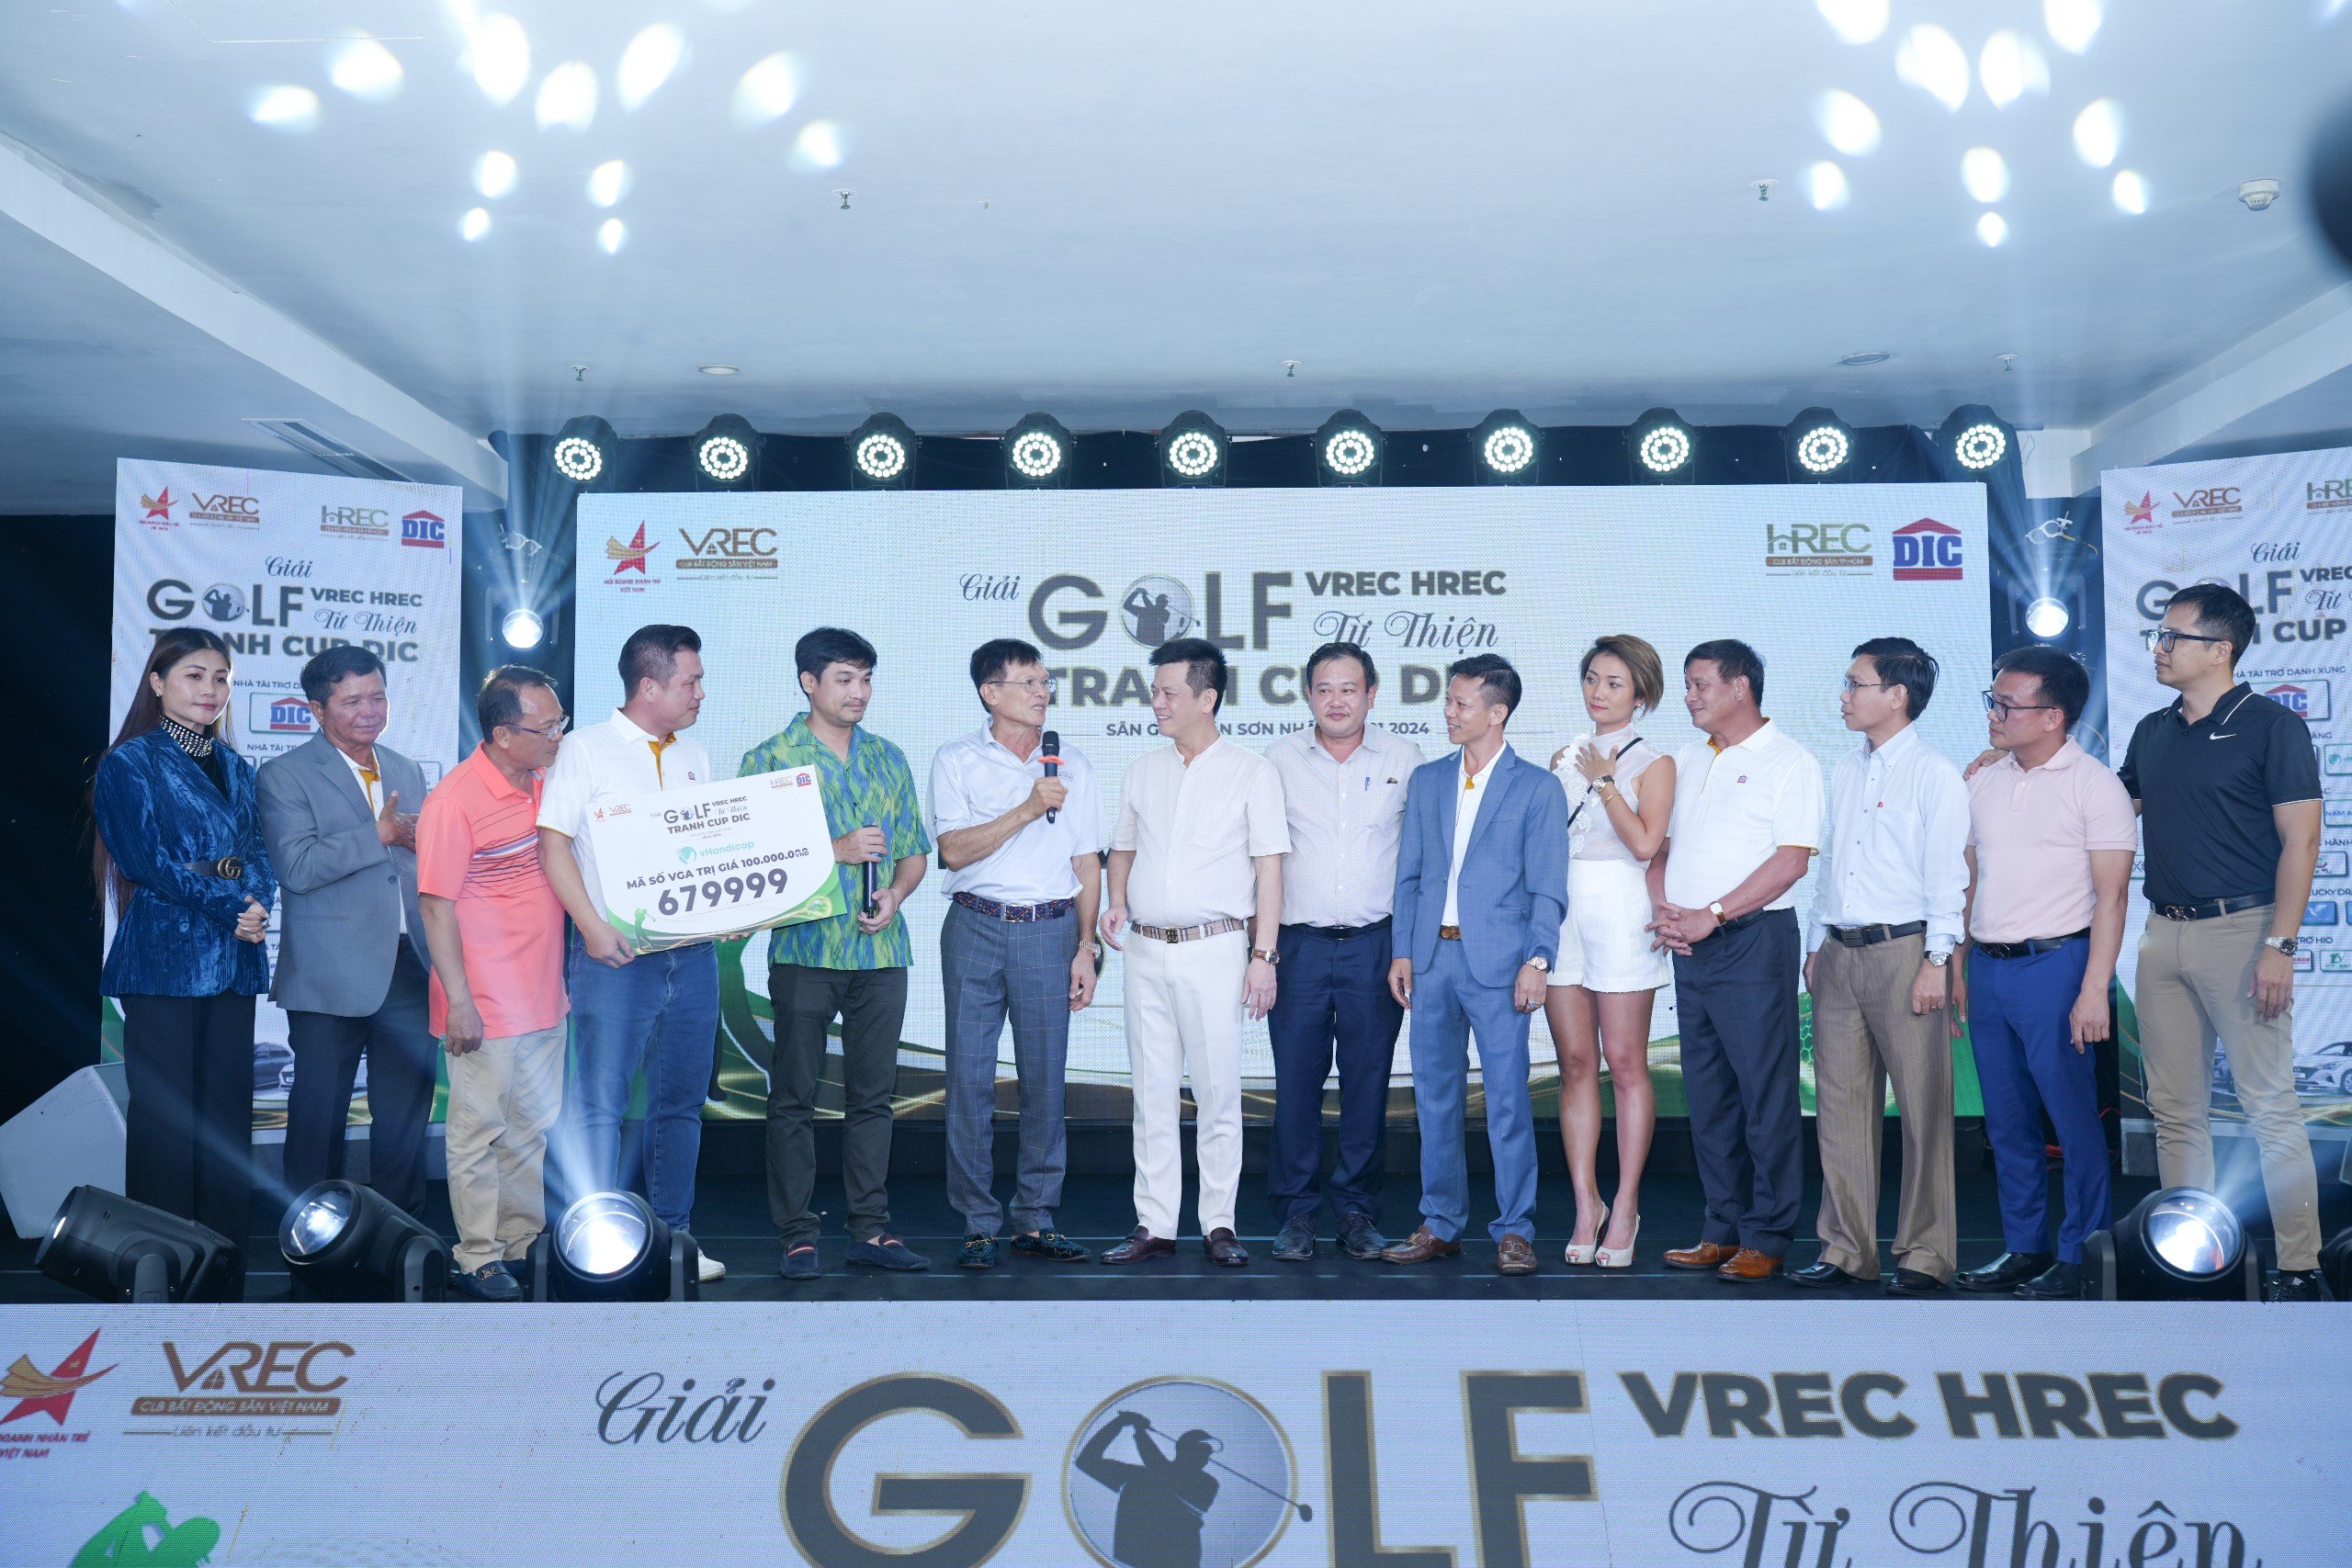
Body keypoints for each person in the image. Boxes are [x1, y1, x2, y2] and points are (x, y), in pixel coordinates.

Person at [2119, 582, 2325, 1303]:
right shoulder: (2152, 729)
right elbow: (2108, 807)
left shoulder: (2272, 726)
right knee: (2175, 1110)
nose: (2160, 647)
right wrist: (2020, 762)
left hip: (2245, 932)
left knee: (2269, 1106)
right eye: (2159, 635)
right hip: (2160, 935)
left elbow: (2302, 842)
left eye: (2173, 636)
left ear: (2220, 649)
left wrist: (2281, 944)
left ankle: (2300, 1265)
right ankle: (2193, 1263)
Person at [537, 623, 727, 1285]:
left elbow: (707, 854)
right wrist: (589, 926)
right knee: (600, 1106)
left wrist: (730, 912)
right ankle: (594, 1242)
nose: (700, 692)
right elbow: (553, 844)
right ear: (650, 686)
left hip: (692, 957)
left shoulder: (694, 754)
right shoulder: (584, 749)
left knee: (681, 1104)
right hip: (614, 957)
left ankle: (674, 1238)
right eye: (691, 681)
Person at [743, 627, 933, 1279]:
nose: (860, 692)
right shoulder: (770, 760)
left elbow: (913, 852)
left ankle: (870, 1229)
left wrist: (897, 895)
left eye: (866, 678)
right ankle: (797, 1234)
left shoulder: (888, 757)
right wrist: (836, 851)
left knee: (874, 1097)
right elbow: (752, 862)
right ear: (809, 682)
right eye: (845, 679)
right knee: (793, 1097)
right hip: (805, 951)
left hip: (881, 953)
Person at [91, 629, 276, 1295]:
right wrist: (231, 905)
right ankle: (159, 1274)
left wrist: (257, 902)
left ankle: (222, 1276)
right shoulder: (129, 763)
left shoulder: (237, 766)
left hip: (234, 960)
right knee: (167, 1125)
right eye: (195, 675)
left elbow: (259, 853)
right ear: (157, 682)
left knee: (227, 1122)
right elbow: (146, 862)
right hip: (164, 961)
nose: (210, 689)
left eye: (221, 677)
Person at [1099, 638, 1289, 1268]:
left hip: (1217, 949)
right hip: (1146, 950)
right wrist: (1117, 899)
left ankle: (1219, 1223)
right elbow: (1122, 847)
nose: (1157, 703)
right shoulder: (1142, 768)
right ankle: (1154, 1222)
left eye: (1168, 692)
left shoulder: (1252, 771)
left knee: (1217, 1091)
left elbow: (1269, 869)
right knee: (1151, 1092)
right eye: (1154, 692)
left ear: (1207, 698)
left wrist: (1264, 955)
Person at [1953, 646, 2134, 1301]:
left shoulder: (2095, 785)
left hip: (2058, 967)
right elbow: (1967, 881)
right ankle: (2024, 1246)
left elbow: (2112, 898)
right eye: (1992, 701)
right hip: (1989, 968)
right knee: (2006, 1122)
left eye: (2007, 705)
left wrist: (2093, 990)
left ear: (2053, 715)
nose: (1993, 714)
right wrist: (1956, 964)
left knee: (2073, 1120)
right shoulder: (1982, 778)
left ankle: (2081, 1252)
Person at [1383, 653, 1568, 1277]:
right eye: (1448, 700)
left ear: (1497, 712)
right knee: (1434, 1099)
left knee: (1508, 1101)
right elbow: (1409, 875)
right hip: (1432, 959)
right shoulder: (1428, 780)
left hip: (1502, 964)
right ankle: (1440, 1223)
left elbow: (1548, 887)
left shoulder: (1537, 787)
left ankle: (1515, 1229)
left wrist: (1538, 958)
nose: (1449, 712)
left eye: (1461, 703)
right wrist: (1403, 950)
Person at [1794, 637, 1968, 1296]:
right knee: (1839, 1110)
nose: (1843, 696)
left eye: (1855, 684)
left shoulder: (1933, 772)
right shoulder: (1845, 768)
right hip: (1839, 953)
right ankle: (1846, 1248)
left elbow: (1948, 875)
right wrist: (1816, 942)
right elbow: (1833, 864)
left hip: (1907, 952)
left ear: (1897, 695)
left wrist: (1937, 960)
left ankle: (1925, 1252)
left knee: (1924, 1111)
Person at [1650, 639, 1823, 1284]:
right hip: (1689, 945)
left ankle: (1768, 1235)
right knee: (1708, 1095)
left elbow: (1792, 861)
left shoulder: (1789, 760)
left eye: (1700, 684)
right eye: (1687, 685)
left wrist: (1714, 913)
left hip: (1751, 941)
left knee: (1763, 1094)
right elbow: (1661, 847)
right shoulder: (1687, 758)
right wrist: (1666, 907)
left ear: (1741, 686)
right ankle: (1720, 1228)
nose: (1688, 696)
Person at [928, 637, 1102, 1269]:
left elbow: (1087, 861)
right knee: (969, 1079)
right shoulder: (956, 759)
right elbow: (953, 850)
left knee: (1045, 1079)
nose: (1041, 692)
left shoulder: (1073, 763)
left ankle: (1035, 1216)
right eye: (1027, 682)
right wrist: (1028, 807)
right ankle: (978, 1221)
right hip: (975, 925)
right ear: (990, 692)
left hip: (1050, 930)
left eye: (1044, 681)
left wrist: (1086, 946)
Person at [256, 646, 435, 1218]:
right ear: (317, 709)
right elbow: (297, 868)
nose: (369, 711)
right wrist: (380, 835)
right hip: (328, 972)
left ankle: (400, 1238)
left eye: (377, 697)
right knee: (319, 1116)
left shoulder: (405, 768)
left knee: (405, 1116)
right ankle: (310, 1240)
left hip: (409, 964)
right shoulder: (284, 774)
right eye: (352, 701)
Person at [414, 666, 571, 1302]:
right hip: (482, 1002)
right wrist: (459, 1002)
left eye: (560, 723)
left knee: (529, 1128)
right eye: (547, 728)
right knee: (477, 1132)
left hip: (544, 995)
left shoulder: (549, 782)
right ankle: (476, 1255)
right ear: (504, 734)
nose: (559, 737)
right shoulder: (454, 800)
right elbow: (435, 908)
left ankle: (521, 1242)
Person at [1263, 642, 1422, 1263]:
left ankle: (1357, 1210)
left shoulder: (1404, 759)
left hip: (1374, 946)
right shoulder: (1278, 760)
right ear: (1307, 694)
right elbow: (1261, 858)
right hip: (1298, 946)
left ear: (1372, 695)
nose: (1336, 701)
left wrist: (1406, 948)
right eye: (1324, 689)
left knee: (1368, 1083)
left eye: (1349, 689)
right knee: (1295, 1084)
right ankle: (1296, 1212)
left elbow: (1418, 862)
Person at [1545, 634, 1675, 1269]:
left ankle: (1625, 1205)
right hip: (1564, 914)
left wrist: (1605, 781)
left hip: (1622, 910)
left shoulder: (1655, 761)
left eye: (1614, 682)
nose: (1599, 692)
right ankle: (1585, 1203)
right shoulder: (1561, 755)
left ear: (1641, 693)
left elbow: (1646, 844)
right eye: (1592, 678)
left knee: (1624, 1062)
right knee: (1575, 1062)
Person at [1073, 1412, 1219, 1568]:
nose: (1206, 1457)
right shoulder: (1137, 1475)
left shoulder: (1207, 1484)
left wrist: (1140, 1432)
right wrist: (1118, 1423)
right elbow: (1086, 1461)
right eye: (1203, 1450)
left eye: (1208, 1452)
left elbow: (1164, 1473)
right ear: (1186, 1450)